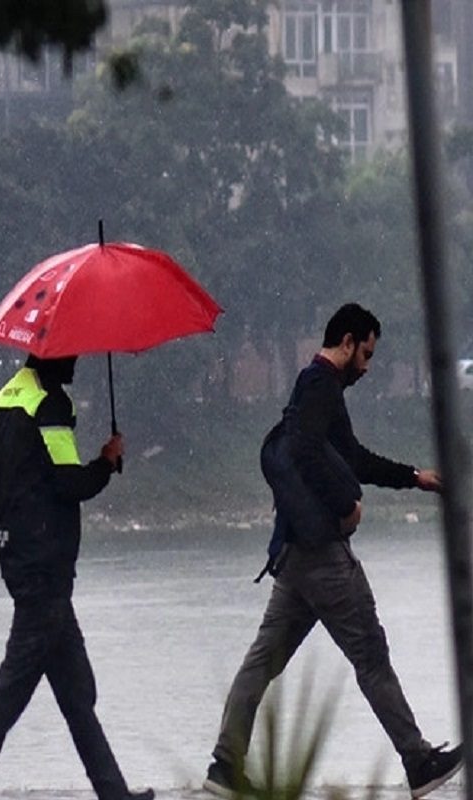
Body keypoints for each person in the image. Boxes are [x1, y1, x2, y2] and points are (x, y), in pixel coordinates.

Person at [203, 304, 461, 800]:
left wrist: (414, 478)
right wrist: (346, 506)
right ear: (346, 342)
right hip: (323, 556)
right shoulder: (320, 386)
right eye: (365, 353)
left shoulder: (313, 388)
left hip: (295, 554)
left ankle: (224, 767)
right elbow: (303, 450)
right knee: (371, 654)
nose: (366, 366)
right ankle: (419, 761)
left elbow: (352, 457)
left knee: (262, 660)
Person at [0, 354, 151, 800]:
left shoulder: (7, 398)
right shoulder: (50, 404)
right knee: (8, 695)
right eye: (70, 354)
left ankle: (114, 793)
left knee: (78, 694)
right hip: (45, 567)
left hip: (18, 555)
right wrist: (107, 462)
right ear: (52, 354)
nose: (75, 361)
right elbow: (69, 483)